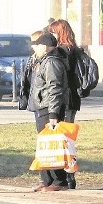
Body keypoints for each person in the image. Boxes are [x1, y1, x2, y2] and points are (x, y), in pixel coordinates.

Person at [28, 32, 70, 191]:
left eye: (37, 45)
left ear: (45, 47)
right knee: (44, 146)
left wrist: (53, 114)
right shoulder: (43, 61)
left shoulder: (52, 62)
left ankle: (59, 182)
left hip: (49, 109)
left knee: (53, 146)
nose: (34, 47)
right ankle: (47, 180)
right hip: (41, 107)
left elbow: (55, 88)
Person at [47, 19, 81, 189]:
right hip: (72, 99)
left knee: (64, 139)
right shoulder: (74, 48)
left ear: (59, 32)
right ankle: (69, 175)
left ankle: (68, 176)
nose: (50, 35)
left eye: (53, 31)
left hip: (65, 100)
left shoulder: (62, 51)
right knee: (67, 138)